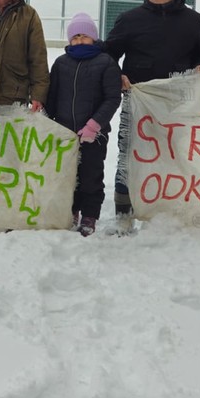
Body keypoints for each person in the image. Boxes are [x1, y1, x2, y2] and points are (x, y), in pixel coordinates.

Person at [104, 0, 200, 224]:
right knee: (129, 154)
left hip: (179, 103)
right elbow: (109, 52)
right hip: (139, 101)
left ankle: (168, 210)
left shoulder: (193, 20)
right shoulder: (130, 19)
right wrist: (117, 74)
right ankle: (123, 212)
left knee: (174, 153)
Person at [45, 12, 123, 236]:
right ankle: (70, 211)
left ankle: (89, 215)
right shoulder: (61, 63)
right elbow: (53, 94)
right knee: (67, 175)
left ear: (94, 38)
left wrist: (94, 124)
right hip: (65, 133)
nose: (80, 40)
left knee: (90, 176)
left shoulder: (106, 63)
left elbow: (112, 98)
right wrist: (50, 121)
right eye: (75, 36)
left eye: (84, 36)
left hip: (93, 135)